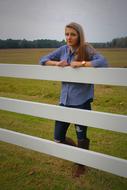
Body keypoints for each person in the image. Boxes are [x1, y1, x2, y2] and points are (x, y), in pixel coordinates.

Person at [40, 22, 108, 177]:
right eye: (66, 34)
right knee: (58, 138)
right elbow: (43, 59)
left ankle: (81, 164)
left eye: (72, 34)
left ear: (79, 35)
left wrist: (82, 63)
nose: (68, 38)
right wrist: (57, 63)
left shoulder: (86, 48)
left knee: (81, 136)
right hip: (64, 101)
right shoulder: (63, 49)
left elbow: (103, 62)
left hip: (81, 102)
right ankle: (78, 153)